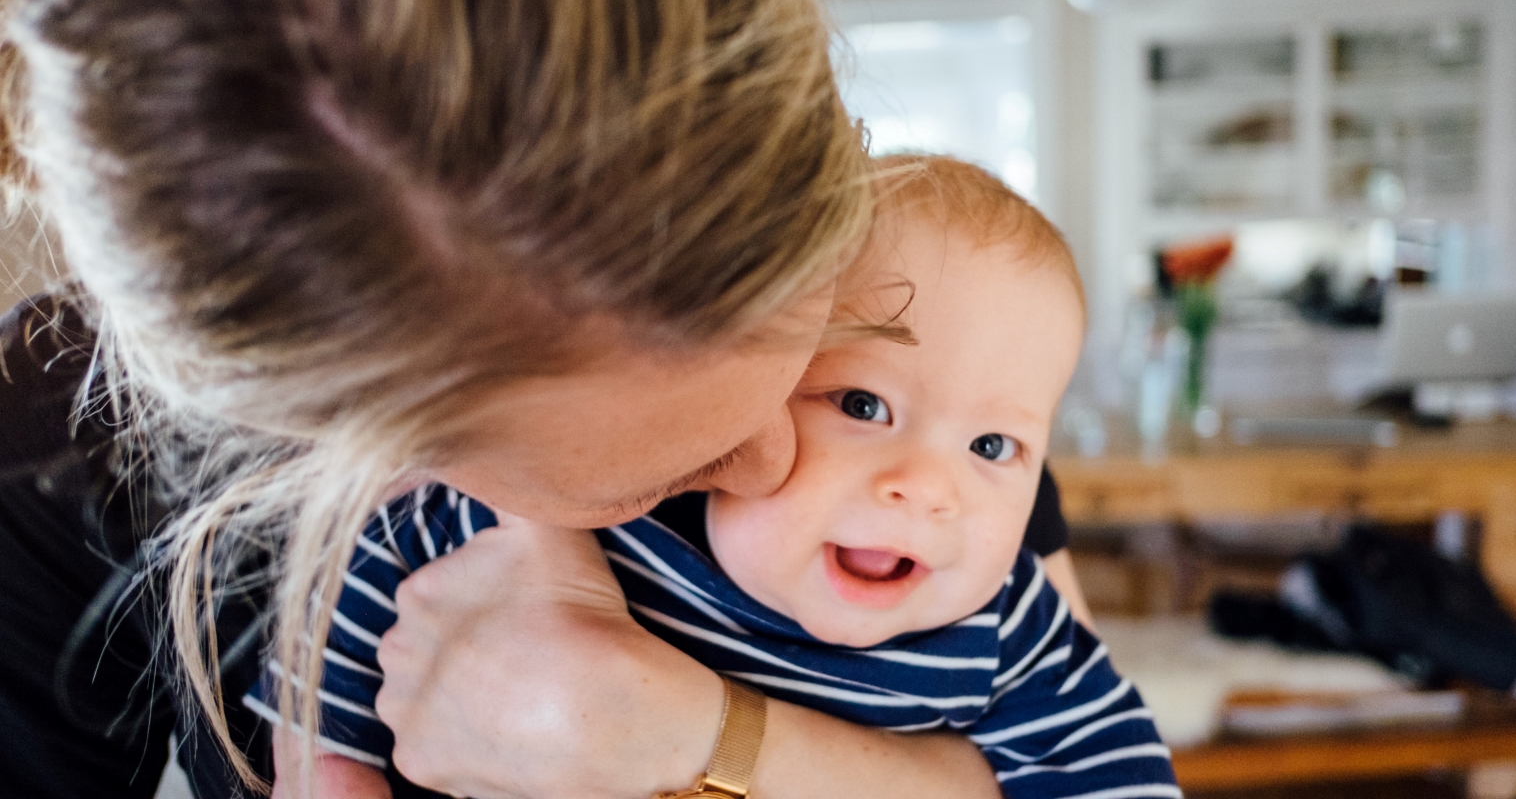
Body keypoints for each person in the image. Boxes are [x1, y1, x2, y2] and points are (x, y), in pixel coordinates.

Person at [0, 0, 1094, 797]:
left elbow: (1082, 756)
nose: (779, 457)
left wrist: (703, 738)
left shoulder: (923, 380)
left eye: (814, 363)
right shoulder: (40, 468)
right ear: (362, 446)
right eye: (677, 465)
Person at [259, 157, 1175, 799]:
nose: (928, 486)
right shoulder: (614, 506)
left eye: (992, 449)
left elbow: (1112, 774)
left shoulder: (1003, 623)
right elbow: (342, 640)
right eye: (861, 406)